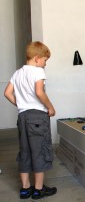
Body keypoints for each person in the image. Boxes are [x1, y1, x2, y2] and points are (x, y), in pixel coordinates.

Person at [4, 41, 57, 200]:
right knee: (39, 151)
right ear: (37, 58)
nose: (45, 63)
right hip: (37, 117)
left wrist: (20, 104)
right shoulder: (38, 72)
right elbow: (39, 93)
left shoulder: (17, 73)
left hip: (23, 116)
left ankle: (25, 188)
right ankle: (38, 190)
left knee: (25, 151)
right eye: (45, 60)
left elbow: (7, 93)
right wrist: (50, 107)